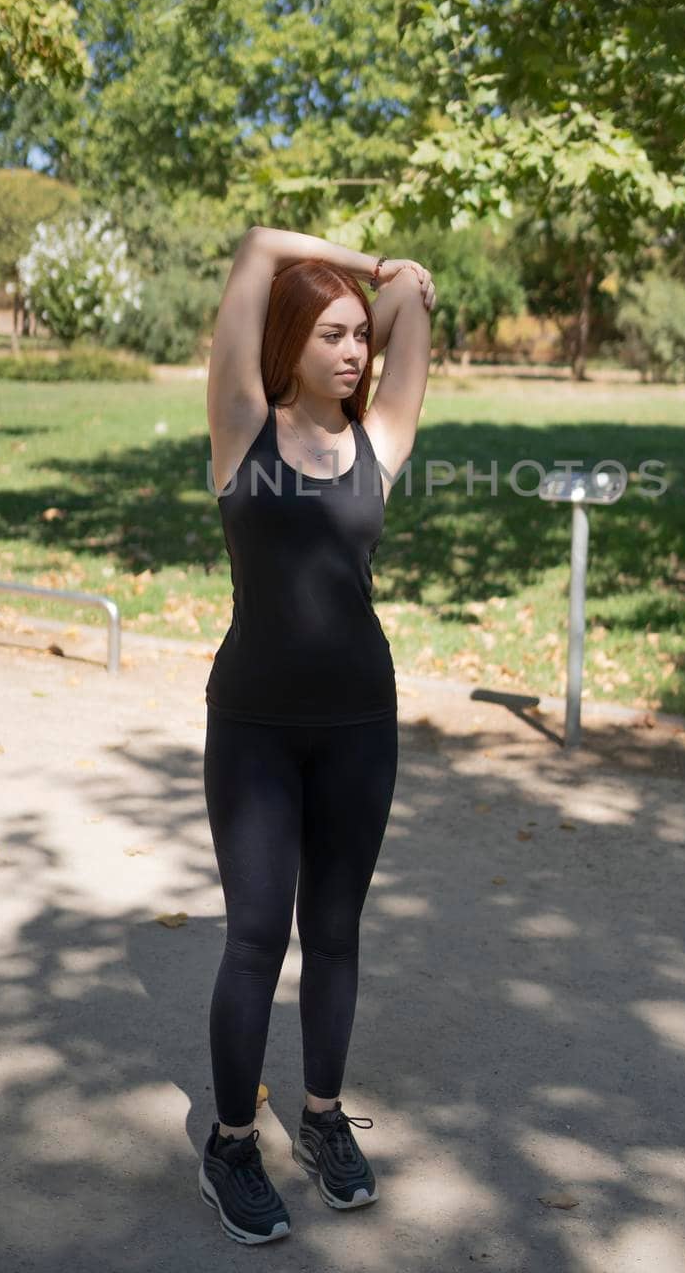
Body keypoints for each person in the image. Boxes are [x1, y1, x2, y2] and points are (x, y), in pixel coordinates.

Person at [197, 224, 436, 1245]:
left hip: (357, 726)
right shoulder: (240, 425)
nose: (353, 351)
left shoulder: (376, 440)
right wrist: (365, 264)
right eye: (331, 334)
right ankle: (229, 1145)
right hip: (252, 725)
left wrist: (396, 291)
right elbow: (254, 249)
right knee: (255, 937)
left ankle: (323, 1120)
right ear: (290, 340)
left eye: (359, 338)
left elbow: (410, 312)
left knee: (332, 931)